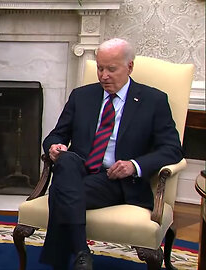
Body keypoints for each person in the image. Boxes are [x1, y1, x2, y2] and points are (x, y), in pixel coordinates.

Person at [39, 38, 183, 270]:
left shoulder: (153, 101)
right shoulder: (81, 96)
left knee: (61, 191)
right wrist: (55, 148)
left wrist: (134, 165)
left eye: (111, 69)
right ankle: (81, 253)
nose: (103, 75)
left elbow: (172, 149)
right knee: (65, 162)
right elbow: (55, 136)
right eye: (99, 68)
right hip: (79, 169)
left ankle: (67, 260)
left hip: (116, 179)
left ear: (130, 67)